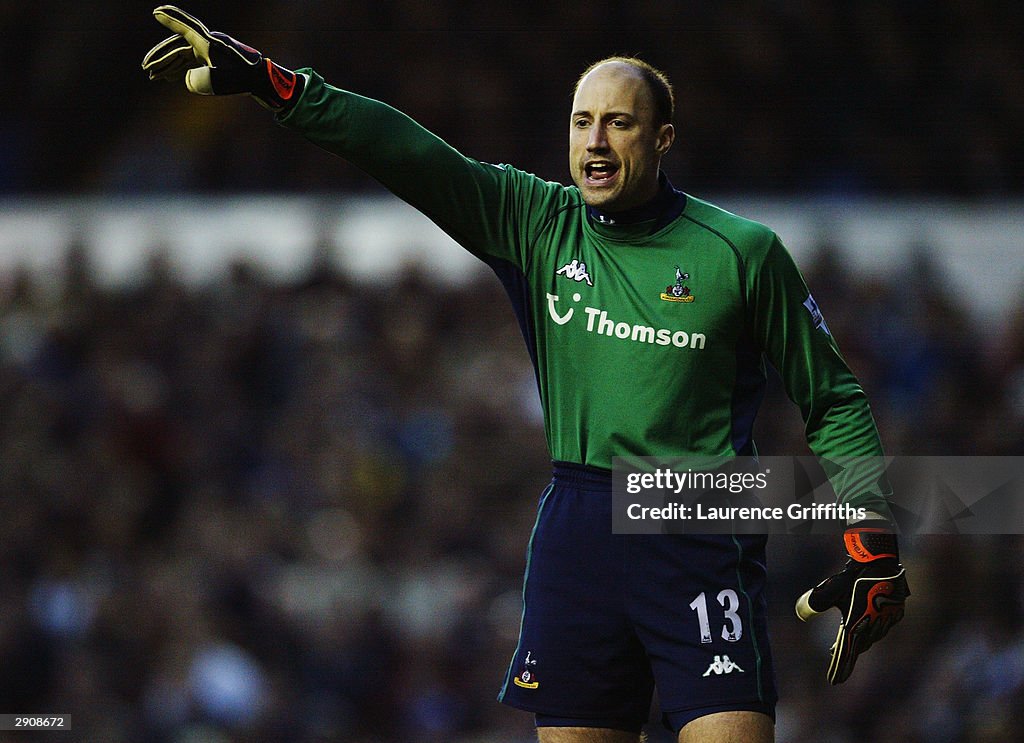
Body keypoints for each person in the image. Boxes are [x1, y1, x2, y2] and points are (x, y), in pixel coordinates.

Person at [142, 7, 910, 742]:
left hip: (694, 525)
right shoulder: (537, 220)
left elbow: (832, 395)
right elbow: (410, 154)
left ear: (664, 136)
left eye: (620, 121)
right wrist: (285, 87)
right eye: (582, 122)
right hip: (578, 530)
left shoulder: (741, 252)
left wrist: (871, 537)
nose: (597, 141)